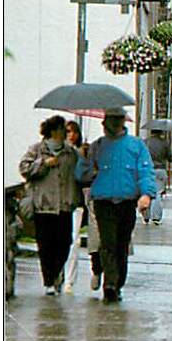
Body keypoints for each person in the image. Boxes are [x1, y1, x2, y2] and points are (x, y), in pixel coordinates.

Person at [75, 107, 156, 302]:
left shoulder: (136, 146)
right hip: (103, 201)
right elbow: (82, 175)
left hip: (127, 202)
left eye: (114, 121)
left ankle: (117, 283)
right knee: (107, 242)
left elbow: (145, 171)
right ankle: (110, 284)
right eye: (108, 121)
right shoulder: (97, 147)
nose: (108, 125)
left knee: (121, 244)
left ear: (121, 122)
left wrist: (146, 194)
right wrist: (83, 158)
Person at [19, 115, 83, 295]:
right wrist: (43, 164)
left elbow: (80, 173)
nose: (67, 133)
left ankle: (56, 272)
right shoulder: (37, 150)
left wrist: (85, 157)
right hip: (43, 205)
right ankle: (49, 280)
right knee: (45, 245)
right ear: (54, 131)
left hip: (64, 206)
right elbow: (24, 168)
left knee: (64, 243)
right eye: (64, 129)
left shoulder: (70, 153)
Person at [62, 120, 103, 294]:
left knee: (74, 240)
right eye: (67, 132)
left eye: (74, 132)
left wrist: (83, 159)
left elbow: (85, 175)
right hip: (60, 202)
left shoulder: (82, 153)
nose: (71, 135)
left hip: (78, 201)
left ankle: (70, 280)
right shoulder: (57, 153)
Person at [144, 129, 172, 225]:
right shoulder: (164, 143)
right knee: (157, 193)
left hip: (147, 170)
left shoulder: (145, 142)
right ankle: (156, 217)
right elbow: (171, 157)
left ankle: (146, 216)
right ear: (161, 132)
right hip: (160, 170)